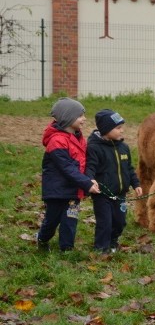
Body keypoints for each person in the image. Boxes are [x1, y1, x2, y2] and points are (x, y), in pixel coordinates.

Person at [36, 98, 101, 251]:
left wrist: (90, 178)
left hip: (73, 190)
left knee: (70, 220)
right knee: (52, 221)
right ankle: (42, 238)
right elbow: (67, 168)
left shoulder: (80, 139)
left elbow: (84, 163)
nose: (84, 119)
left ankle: (67, 249)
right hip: (57, 191)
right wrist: (86, 183)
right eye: (80, 115)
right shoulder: (57, 141)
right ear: (68, 117)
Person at [86, 109, 142, 254]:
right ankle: (100, 248)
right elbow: (90, 166)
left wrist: (136, 184)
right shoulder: (94, 148)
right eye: (118, 128)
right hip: (102, 194)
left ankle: (112, 242)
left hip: (120, 194)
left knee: (120, 221)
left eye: (121, 127)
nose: (122, 131)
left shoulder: (124, 148)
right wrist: (90, 180)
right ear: (106, 129)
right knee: (105, 222)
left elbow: (129, 168)